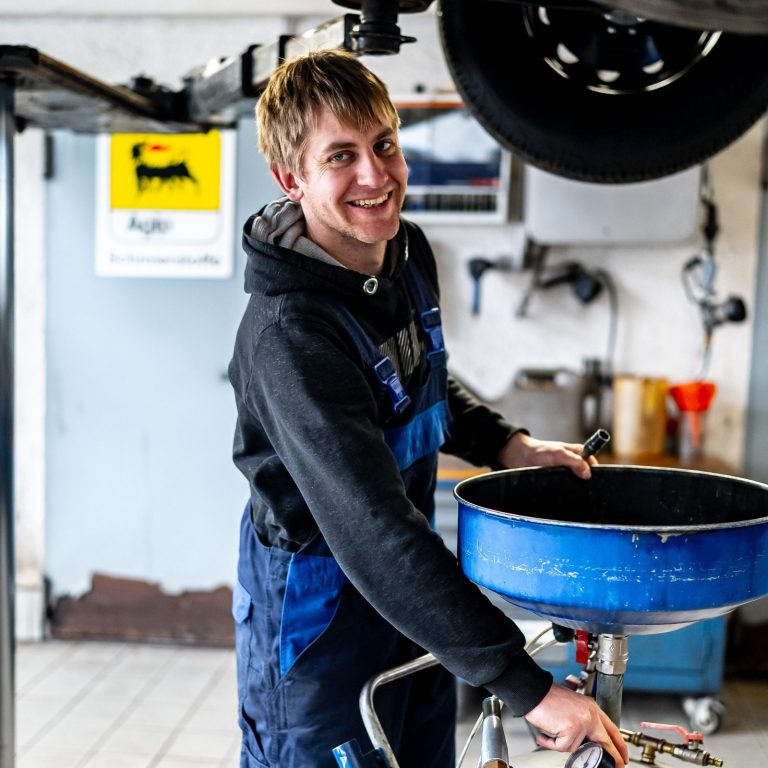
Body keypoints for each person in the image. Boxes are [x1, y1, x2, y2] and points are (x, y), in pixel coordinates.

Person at [228, 49, 629, 768]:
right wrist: (528, 688)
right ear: (292, 180)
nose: (376, 176)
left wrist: (510, 443)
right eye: (341, 157)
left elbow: (424, 378)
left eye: (384, 144)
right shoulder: (291, 339)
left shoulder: (403, 251)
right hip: (318, 615)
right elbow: (371, 530)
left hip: (409, 594)